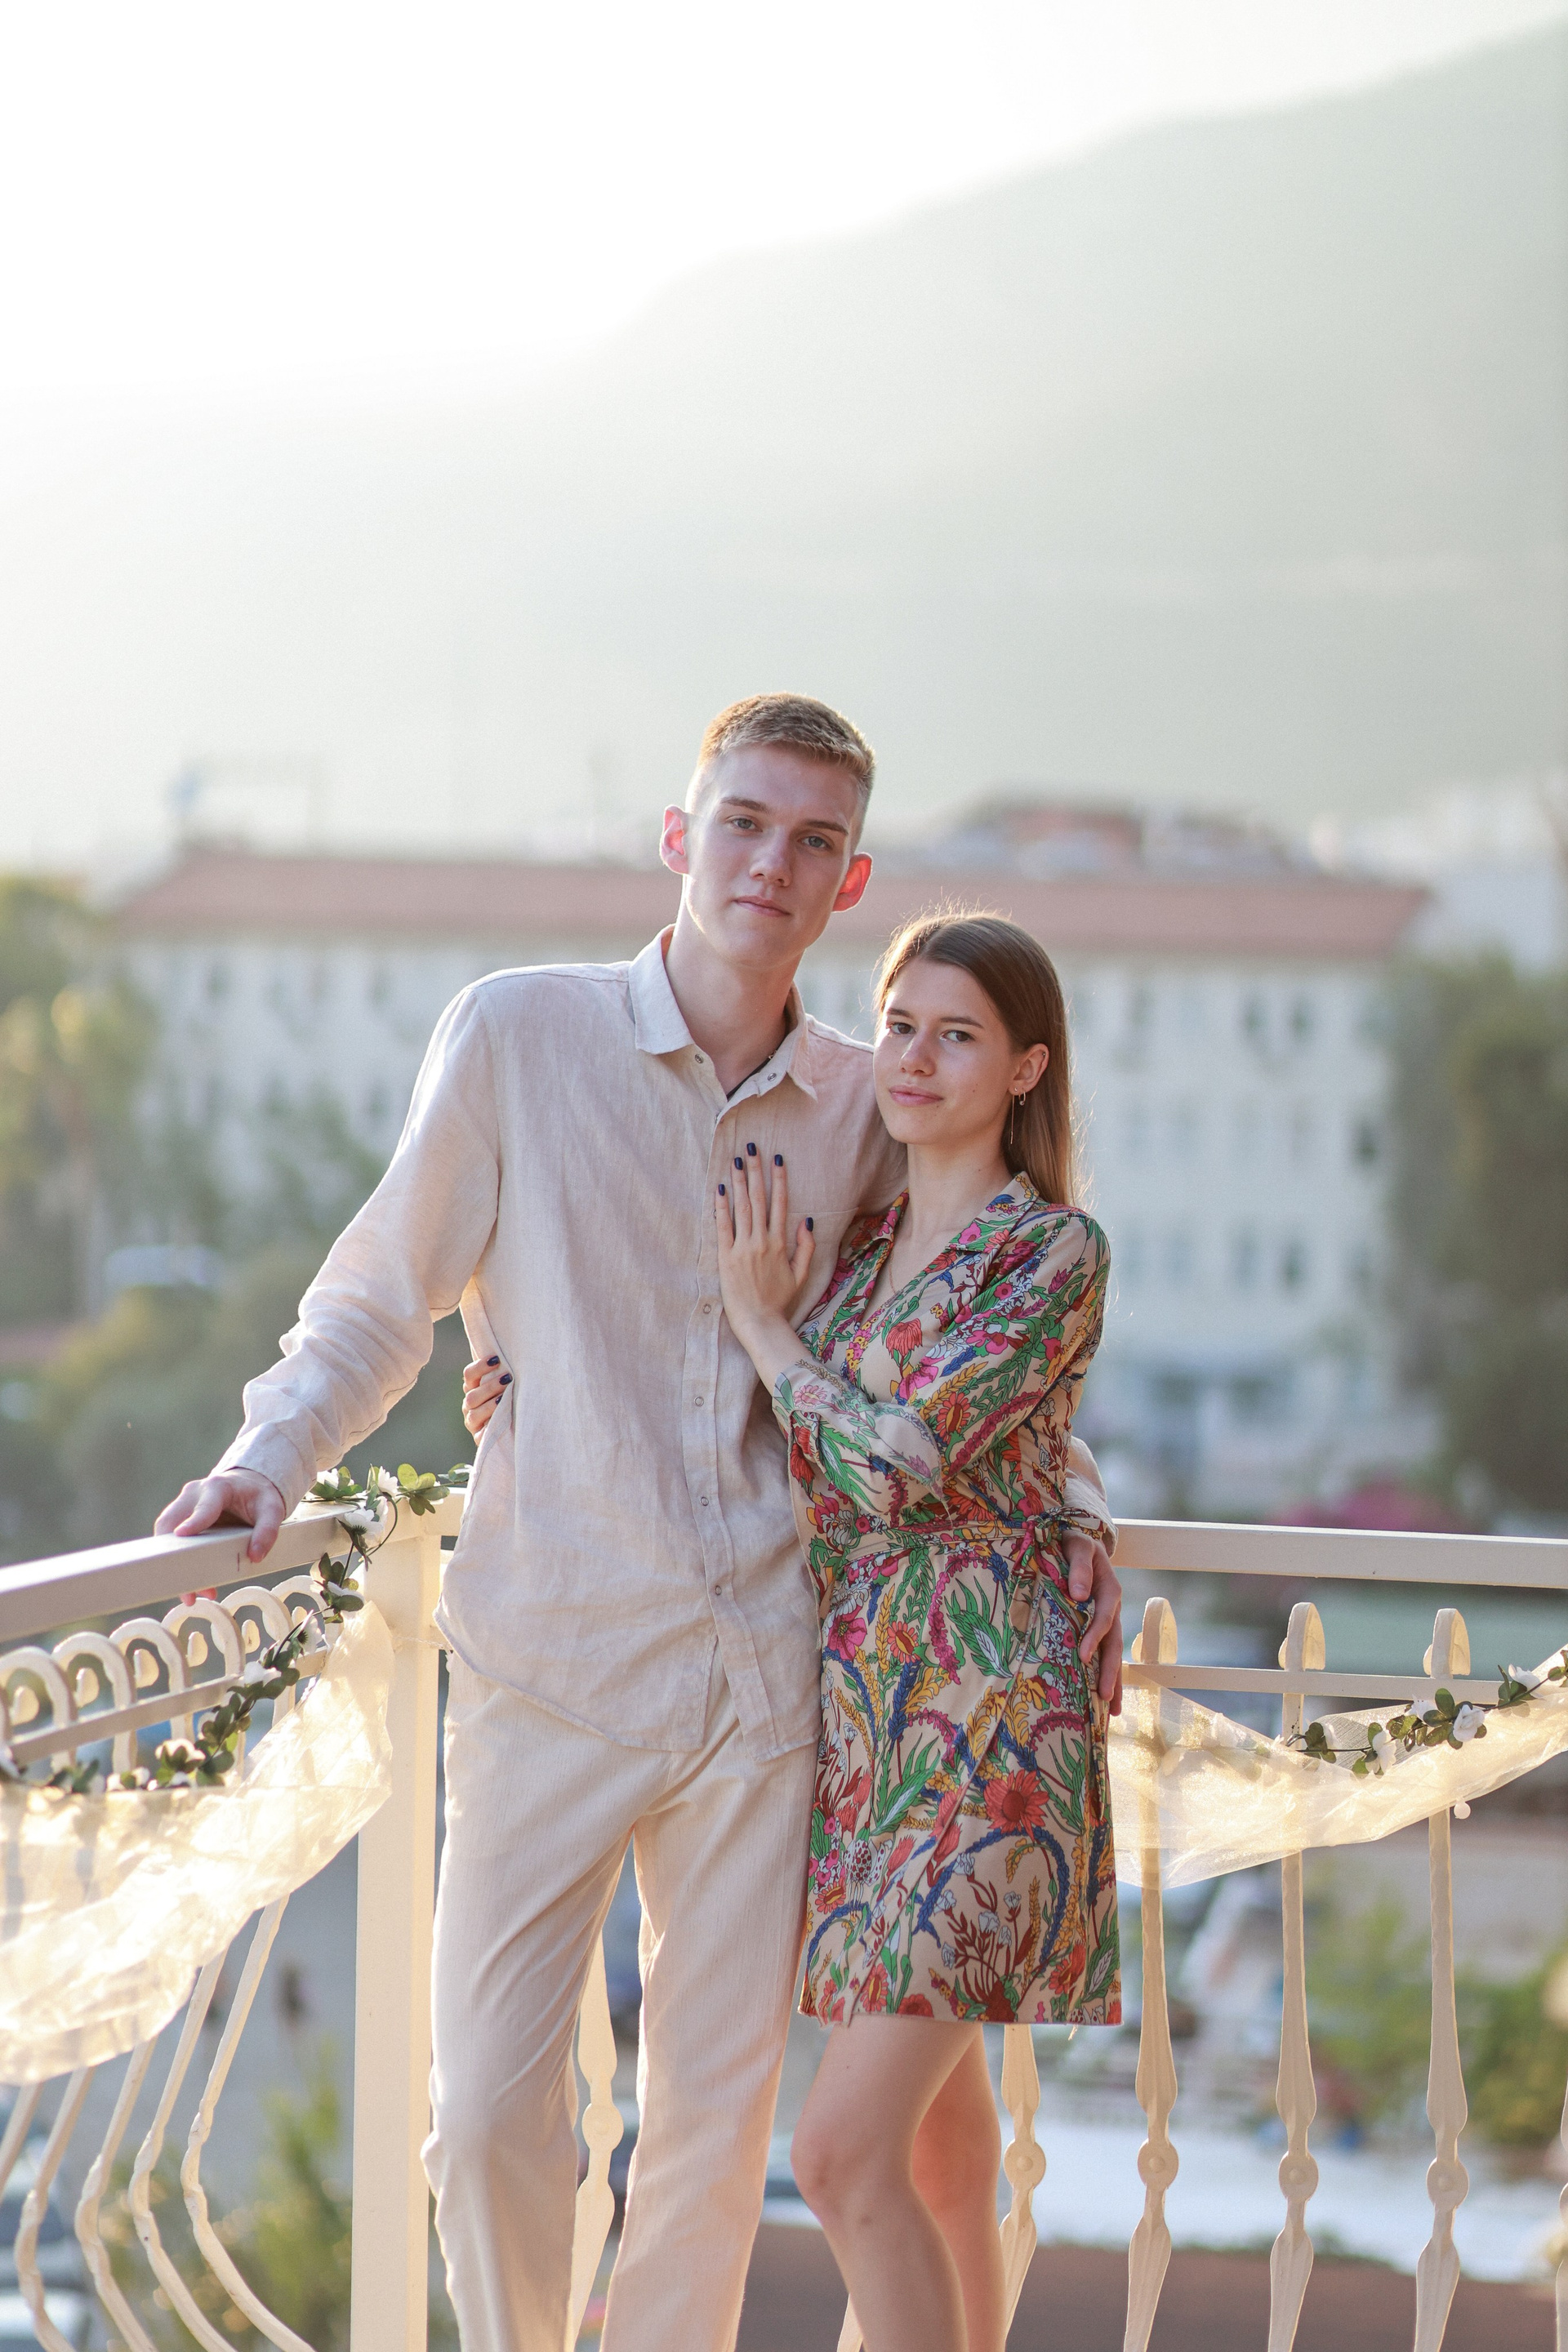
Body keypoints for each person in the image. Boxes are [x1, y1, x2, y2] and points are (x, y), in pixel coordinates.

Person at [155, 694, 1122, 2352]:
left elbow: (965, 1341)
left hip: (769, 1684)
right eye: (744, 822)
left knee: (709, 2145)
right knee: (484, 2120)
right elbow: (381, 1297)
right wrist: (272, 1455)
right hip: (552, 1652)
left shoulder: (869, 1103)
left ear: (850, 881)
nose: (772, 863)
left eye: (814, 841)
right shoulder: (517, 1037)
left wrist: (1082, 1519)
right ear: (681, 837)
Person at [706, 911, 1115, 2352]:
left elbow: (894, 1464)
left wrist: (767, 1334)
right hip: (870, 1738)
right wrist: (501, 1368)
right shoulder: (860, 1244)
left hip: (993, 1740)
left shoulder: (1050, 1251)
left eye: (957, 1036)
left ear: (1025, 1069)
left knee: (837, 2156)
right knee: (939, 2151)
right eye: (898, 1025)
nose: (915, 1059)